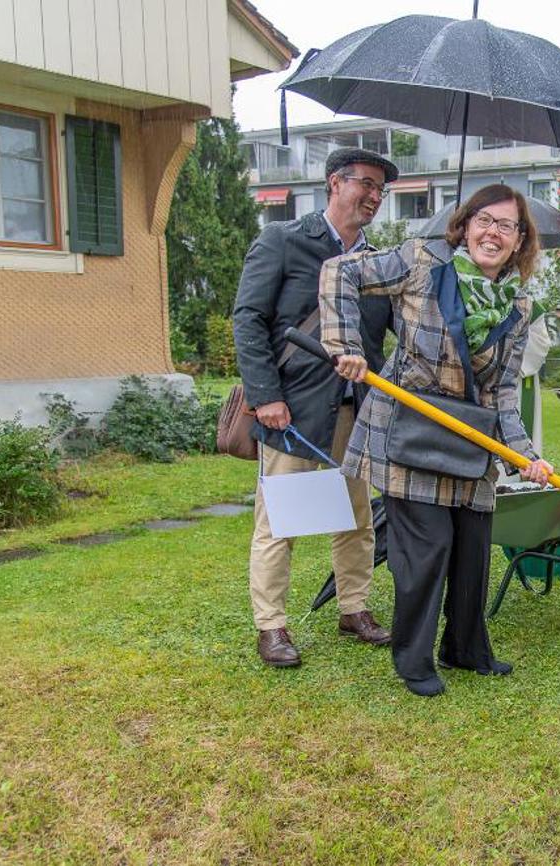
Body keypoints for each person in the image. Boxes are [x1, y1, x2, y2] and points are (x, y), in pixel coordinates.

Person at [320, 184, 555, 698]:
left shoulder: (517, 308)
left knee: (472, 549)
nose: (493, 232)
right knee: (429, 549)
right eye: (484, 220)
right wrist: (345, 345)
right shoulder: (422, 264)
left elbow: (502, 392)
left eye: (506, 226)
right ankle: (415, 659)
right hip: (411, 431)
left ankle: (466, 648)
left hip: (469, 441)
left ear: (519, 242)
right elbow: (341, 271)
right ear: (466, 225)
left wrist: (526, 459)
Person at [232, 147, 395, 668]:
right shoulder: (284, 241)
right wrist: (266, 397)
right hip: (293, 410)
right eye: (364, 184)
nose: (372, 196)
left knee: (356, 518)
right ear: (334, 183)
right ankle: (271, 627)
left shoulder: (376, 261)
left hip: (356, 410)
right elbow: (249, 320)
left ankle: (354, 608)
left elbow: (393, 334)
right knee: (281, 520)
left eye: (380, 190)